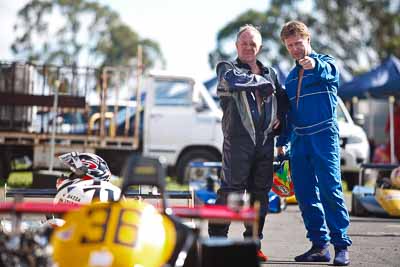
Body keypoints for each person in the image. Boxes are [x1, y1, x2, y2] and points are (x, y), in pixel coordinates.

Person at [208, 24, 289, 261]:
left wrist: (280, 118)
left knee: (259, 197)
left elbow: (283, 98)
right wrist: (259, 82)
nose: (248, 47)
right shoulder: (227, 67)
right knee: (231, 193)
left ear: (260, 47)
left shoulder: (271, 73)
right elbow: (231, 81)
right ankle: (217, 243)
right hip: (237, 144)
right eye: (243, 43)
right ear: (236, 45)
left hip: (265, 145)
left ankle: (253, 243)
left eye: (253, 43)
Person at [276, 21, 352, 266]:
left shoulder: (325, 62)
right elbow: (288, 114)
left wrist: (315, 65)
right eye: (290, 46)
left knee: (331, 190)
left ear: (308, 40)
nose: (296, 49)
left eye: (298, 43)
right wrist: (282, 142)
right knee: (306, 195)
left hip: (324, 136)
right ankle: (320, 246)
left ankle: (341, 245)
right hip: (299, 140)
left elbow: (331, 74)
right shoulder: (289, 77)